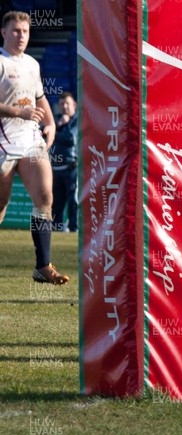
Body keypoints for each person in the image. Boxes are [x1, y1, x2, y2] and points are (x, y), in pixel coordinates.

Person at [0, 11, 69, 285]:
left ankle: (43, 266)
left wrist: (50, 123)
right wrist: (18, 112)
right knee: (1, 206)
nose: (21, 36)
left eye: (25, 31)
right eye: (16, 31)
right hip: (4, 142)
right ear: (3, 32)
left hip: (30, 141)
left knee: (44, 196)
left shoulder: (32, 64)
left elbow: (40, 100)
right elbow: (20, 109)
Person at [50, 91, 78, 232]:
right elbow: (44, 132)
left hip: (72, 168)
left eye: (67, 103)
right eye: (61, 104)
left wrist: (54, 132)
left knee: (74, 201)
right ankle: (57, 228)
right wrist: (58, 124)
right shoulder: (56, 120)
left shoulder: (79, 120)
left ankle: (74, 228)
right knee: (56, 202)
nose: (64, 106)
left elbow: (71, 139)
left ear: (74, 105)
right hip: (55, 168)